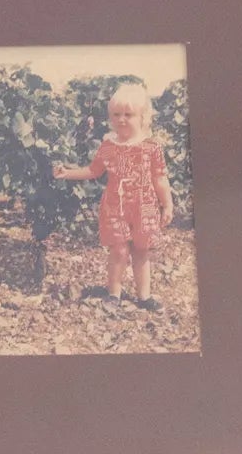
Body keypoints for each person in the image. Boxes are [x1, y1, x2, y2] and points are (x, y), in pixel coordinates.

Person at [52, 81, 175, 310]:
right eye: (116, 114)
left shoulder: (151, 147)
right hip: (115, 207)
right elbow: (93, 170)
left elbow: (160, 178)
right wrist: (67, 173)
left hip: (145, 207)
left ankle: (144, 296)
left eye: (128, 114)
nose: (121, 119)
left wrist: (167, 205)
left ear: (143, 117)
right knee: (118, 249)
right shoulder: (108, 146)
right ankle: (114, 294)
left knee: (141, 250)